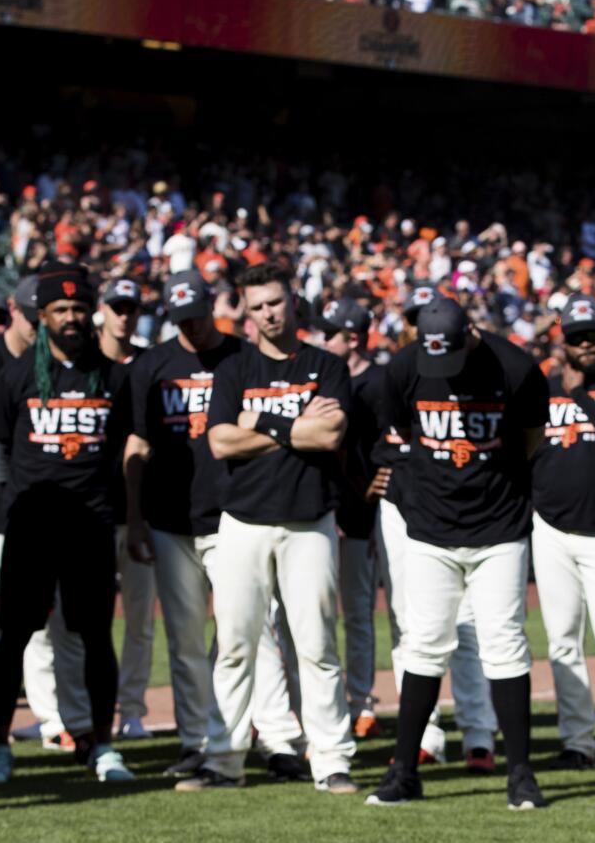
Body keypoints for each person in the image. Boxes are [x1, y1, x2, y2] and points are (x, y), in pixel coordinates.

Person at [181, 262, 358, 793]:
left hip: (309, 522)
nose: (267, 314)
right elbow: (220, 443)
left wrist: (259, 422)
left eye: (274, 303)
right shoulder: (235, 370)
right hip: (243, 522)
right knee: (233, 644)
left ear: (294, 303)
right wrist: (294, 426)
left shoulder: (327, 366)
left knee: (317, 644)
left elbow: (329, 437)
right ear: (246, 312)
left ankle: (331, 761)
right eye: (256, 307)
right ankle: (225, 759)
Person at [366, 297, 548, 810]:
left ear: (471, 333)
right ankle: (404, 771)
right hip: (429, 527)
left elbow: (530, 438)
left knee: (505, 642)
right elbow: (401, 431)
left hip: (499, 526)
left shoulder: (515, 368)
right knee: (423, 642)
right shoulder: (403, 368)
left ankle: (520, 774)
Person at [122, 270, 304, 779]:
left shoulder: (240, 358)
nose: (192, 327)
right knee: (184, 638)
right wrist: (135, 519)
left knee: (252, 629)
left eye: (198, 315)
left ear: (213, 307)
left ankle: (277, 737)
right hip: (170, 518)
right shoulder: (152, 366)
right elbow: (138, 445)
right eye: (182, 319)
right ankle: (197, 739)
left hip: (234, 514)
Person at [0, 266, 137, 784]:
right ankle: (0, 745)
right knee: (14, 634)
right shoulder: (19, 373)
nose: (70, 318)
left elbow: (122, 445)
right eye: (59, 310)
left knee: (94, 635)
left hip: (90, 525)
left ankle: (103, 743)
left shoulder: (113, 376)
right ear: (41, 316)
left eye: (77, 309)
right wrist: (16, 497)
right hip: (32, 527)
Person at [372, 283, 499, 769]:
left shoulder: (478, 371)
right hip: (407, 513)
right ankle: (423, 735)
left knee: (467, 628)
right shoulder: (399, 372)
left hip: (466, 513)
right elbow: (383, 439)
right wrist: (378, 473)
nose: (421, 328)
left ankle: (479, 735)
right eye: (415, 318)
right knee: (413, 628)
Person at [0, 278, 84, 759]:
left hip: (47, 509)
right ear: (14, 310)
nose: (38, 327)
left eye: (44, 318)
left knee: (53, 624)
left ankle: (57, 721)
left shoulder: (58, 362)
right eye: (32, 318)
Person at [531, 294, 595, 771]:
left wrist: (582, 395)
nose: (584, 344)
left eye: (591, 335)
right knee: (563, 637)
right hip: (550, 526)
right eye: (575, 337)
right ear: (562, 341)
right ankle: (577, 741)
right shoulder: (544, 386)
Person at [317, 297, 384, 739]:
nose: (323, 341)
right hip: (322, 508)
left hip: (364, 514)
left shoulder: (380, 381)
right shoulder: (321, 377)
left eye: (331, 333)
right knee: (313, 614)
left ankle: (361, 703)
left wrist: (380, 489)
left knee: (358, 612)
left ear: (353, 338)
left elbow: (394, 444)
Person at [98, 278, 156, 740]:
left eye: (130, 308)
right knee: (83, 622)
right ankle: (79, 714)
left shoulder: (149, 364)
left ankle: (132, 709)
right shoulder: (86, 365)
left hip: (143, 512)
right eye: (117, 307)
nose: (123, 315)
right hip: (94, 511)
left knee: (140, 619)